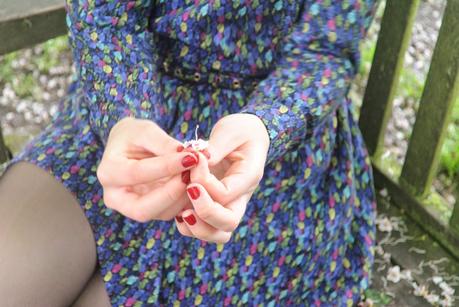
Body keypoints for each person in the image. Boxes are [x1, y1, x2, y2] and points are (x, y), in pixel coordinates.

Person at [0, 0, 377, 305]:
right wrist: (123, 117)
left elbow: (323, 52)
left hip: (263, 159)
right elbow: (105, 17)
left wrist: (267, 127)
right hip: (122, 102)